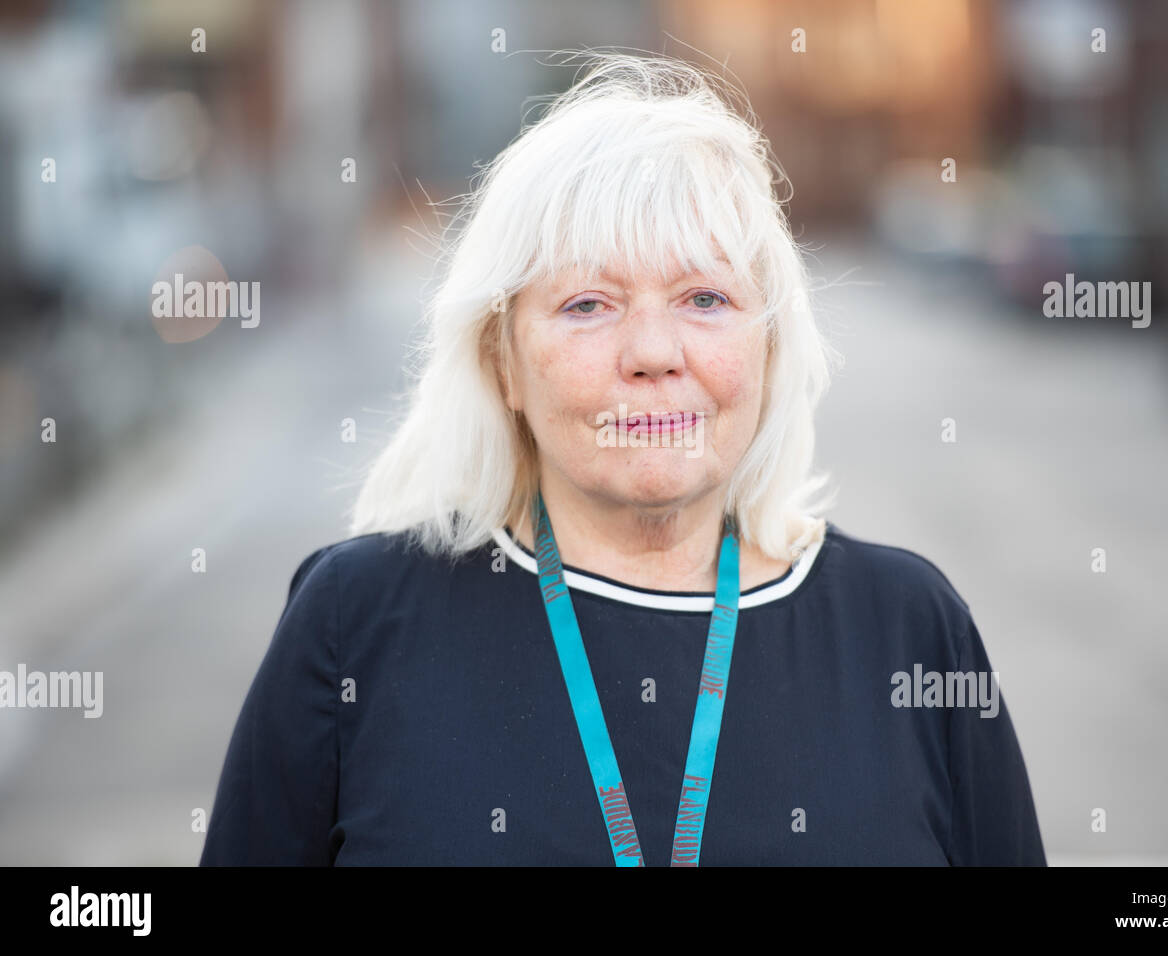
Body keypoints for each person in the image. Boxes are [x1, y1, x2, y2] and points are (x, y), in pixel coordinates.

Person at [199, 51, 1047, 866]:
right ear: (503, 363)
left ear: (769, 348)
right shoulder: (354, 624)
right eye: (588, 304)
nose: (652, 352)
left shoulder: (909, 631)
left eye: (705, 297)